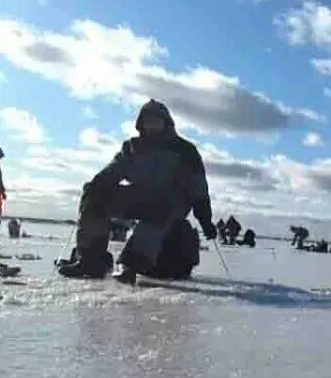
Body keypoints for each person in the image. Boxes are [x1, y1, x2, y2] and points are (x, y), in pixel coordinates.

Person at [58, 100, 215, 280]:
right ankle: (90, 260)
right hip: (139, 197)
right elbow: (115, 168)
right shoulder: (133, 147)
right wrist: (98, 183)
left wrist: (206, 220)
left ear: (166, 122)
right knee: (95, 192)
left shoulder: (185, 150)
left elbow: (199, 187)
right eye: (147, 120)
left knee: (162, 204)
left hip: (171, 203)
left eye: (156, 120)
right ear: (141, 124)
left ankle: (131, 266)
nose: (151, 124)